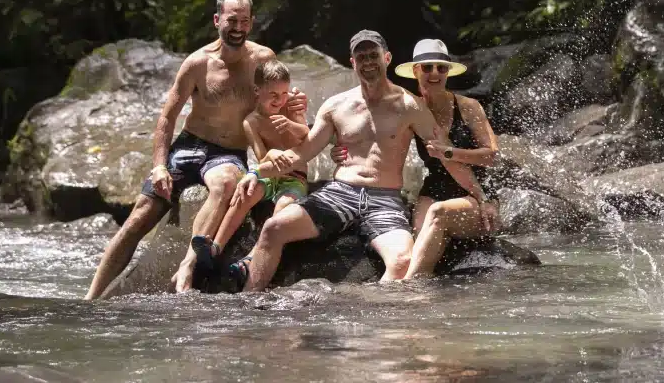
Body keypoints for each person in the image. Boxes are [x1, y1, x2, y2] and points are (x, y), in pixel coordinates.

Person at [83, 0, 306, 300]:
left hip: (228, 152)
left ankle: (187, 267)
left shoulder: (263, 59)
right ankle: (90, 298)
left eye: (244, 20)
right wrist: (160, 165)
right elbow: (166, 118)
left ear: (252, 22)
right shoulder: (197, 63)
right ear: (217, 21)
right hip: (187, 147)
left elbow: (277, 100)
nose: (238, 27)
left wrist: (295, 108)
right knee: (138, 218)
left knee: (227, 181)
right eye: (231, 20)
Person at [232, 30, 492, 291]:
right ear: (352, 63)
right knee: (274, 228)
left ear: (387, 58)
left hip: (385, 200)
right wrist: (255, 173)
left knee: (402, 261)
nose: (368, 61)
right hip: (339, 193)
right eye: (361, 56)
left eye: (373, 55)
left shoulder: (410, 106)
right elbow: (301, 153)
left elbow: (445, 156)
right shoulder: (336, 105)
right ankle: (249, 302)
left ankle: (374, 324)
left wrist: (480, 197)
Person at [332, 38, 499, 279]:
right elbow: (376, 141)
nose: (434, 73)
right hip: (433, 190)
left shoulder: (469, 107)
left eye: (441, 68)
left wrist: (449, 152)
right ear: (415, 71)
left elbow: (491, 156)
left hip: (475, 192)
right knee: (416, 242)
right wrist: (338, 151)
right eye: (427, 67)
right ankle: (420, 295)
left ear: (448, 72)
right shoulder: (411, 108)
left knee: (438, 214)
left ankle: (406, 290)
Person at [187, 59, 310, 281]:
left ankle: (251, 259)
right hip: (270, 175)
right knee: (244, 194)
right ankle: (215, 246)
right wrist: (270, 156)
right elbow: (262, 157)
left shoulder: (290, 107)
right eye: (273, 94)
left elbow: (309, 138)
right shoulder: (251, 121)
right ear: (257, 90)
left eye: (283, 93)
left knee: (283, 206)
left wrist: (292, 124)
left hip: (295, 177)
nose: (279, 99)